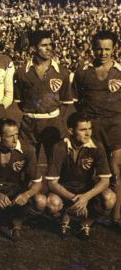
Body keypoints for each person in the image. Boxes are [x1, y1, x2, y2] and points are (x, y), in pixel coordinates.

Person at [73, 30, 121, 228]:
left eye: (107, 49)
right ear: (93, 48)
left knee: (116, 171)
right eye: (99, 49)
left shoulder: (120, 71)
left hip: (115, 126)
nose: (103, 53)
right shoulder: (83, 71)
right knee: (89, 168)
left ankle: (116, 217)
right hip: (91, 127)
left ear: (114, 49)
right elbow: (76, 101)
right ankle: (87, 212)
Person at [45, 112, 116, 239]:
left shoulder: (97, 146)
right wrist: (76, 199)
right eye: (83, 130)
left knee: (110, 198)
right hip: (64, 190)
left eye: (90, 129)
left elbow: (105, 180)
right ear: (71, 131)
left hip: (86, 190)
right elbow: (52, 183)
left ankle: (85, 223)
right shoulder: (59, 147)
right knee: (52, 203)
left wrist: (86, 197)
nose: (88, 133)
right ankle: (64, 217)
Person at [0, 118, 45, 241]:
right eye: (10, 136)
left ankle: (17, 222)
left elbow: (38, 182)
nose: (15, 139)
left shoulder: (28, 149)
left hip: (15, 190)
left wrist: (26, 195)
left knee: (41, 201)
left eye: (17, 134)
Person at [14, 30, 73, 161]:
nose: (49, 48)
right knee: (28, 163)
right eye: (44, 45)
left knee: (55, 162)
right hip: (29, 126)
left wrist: (52, 116)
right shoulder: (21, 72)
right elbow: (19, 102)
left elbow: (65, 103)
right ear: (34, 48)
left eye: (50, 45)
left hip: (53, 124)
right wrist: (34, 114)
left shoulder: (62, 72)